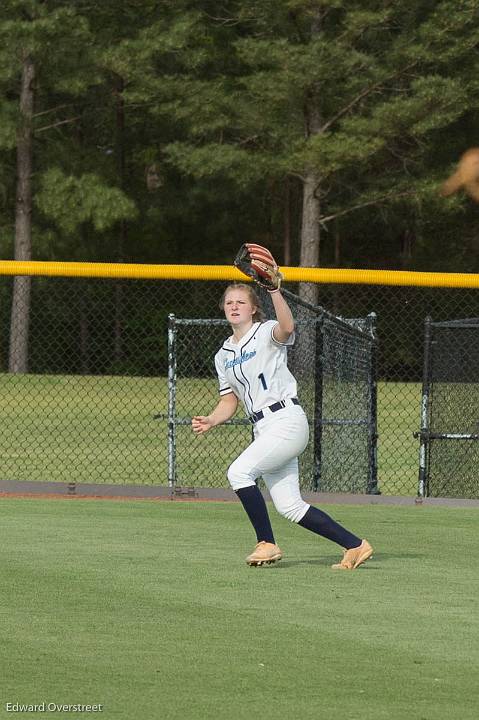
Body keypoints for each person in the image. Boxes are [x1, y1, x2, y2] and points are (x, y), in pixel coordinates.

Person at [192, 281, 373, 569]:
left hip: (286, 421)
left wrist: (274, 290)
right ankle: (355, 545)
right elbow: (229, 401)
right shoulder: (223, 354)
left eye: (241, 302)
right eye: (229, 303)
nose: (235, 307)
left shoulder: (265, 332)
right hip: (263, 428)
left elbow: (287, 328)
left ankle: (266, 543)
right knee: (290, 506)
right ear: (223, 310)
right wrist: (212, 419)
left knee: (239, 472)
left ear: (253, 308)